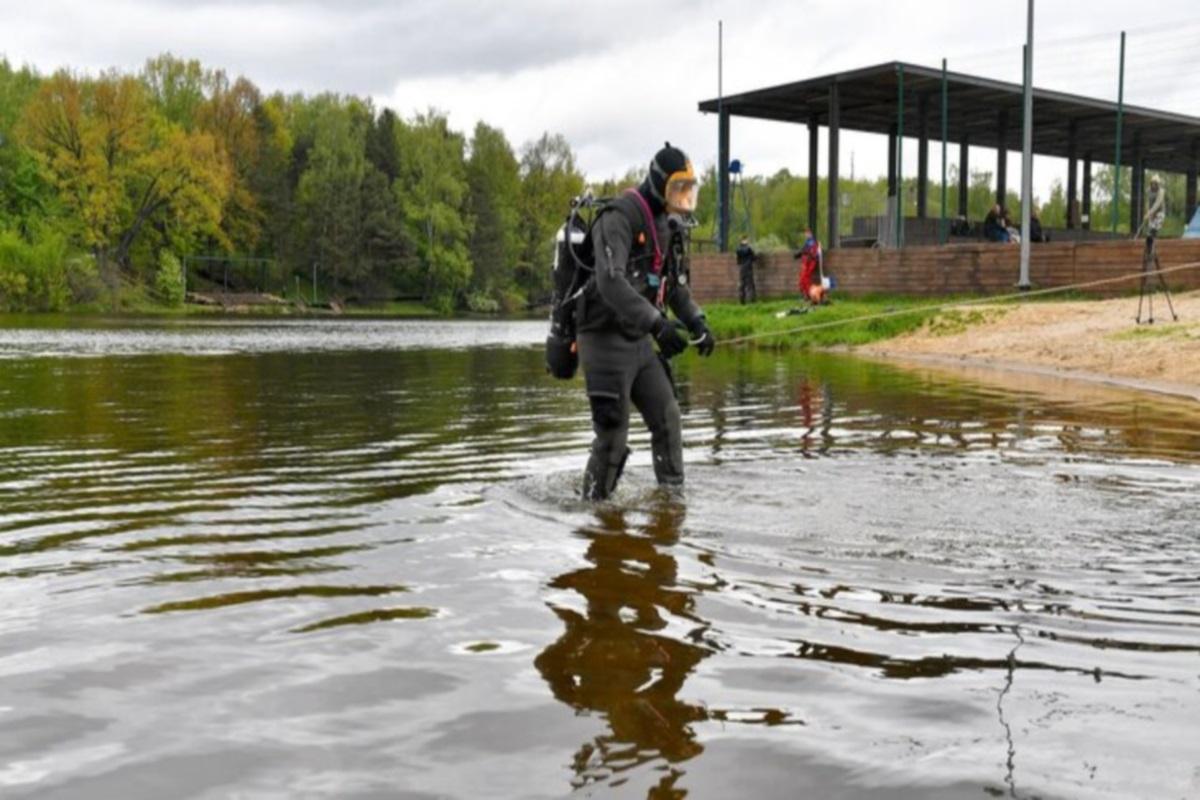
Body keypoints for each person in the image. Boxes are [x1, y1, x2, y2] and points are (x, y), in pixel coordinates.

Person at [575, 143, 715, 500]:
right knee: (613, 437)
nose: (683, 198)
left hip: (637, 339)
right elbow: (610, 282)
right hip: (603, 337)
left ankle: (670, 506)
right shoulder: (617, 218)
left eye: (688, 190)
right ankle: (594, 517)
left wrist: (697, 322)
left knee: (668, 418)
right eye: (677, 189)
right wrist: (658, 324)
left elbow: (673, 289)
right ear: (657, 184)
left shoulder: (668, 227)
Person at [794, 227, 824, 304]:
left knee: (805, 278)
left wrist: (802, 253)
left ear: (810, 233)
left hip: (809, 262)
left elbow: (810, 252)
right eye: (805, 233)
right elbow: (805, 251)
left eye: (807, 233)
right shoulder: (808, 242)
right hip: (806, 262)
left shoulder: (812, 242)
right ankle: (806, 295)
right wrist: (800, 254)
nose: (806, 234)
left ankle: (809, 295)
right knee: (802, 279)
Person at [1143, 175, 1166, 248]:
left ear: (1158, 184)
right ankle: (1149, 247)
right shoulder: (1148, 191)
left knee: (1155, 229)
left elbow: (1157, 203)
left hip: (1160, 213)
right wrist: (1148, 213)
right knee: (1149, 230)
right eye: (1152, 183)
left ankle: (1155, 245)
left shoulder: (1161, 192)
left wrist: (1150, 212)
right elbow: (1147, 203)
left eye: (1155, 183)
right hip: (1151, 213)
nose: (1153, 185)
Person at [735, 236, 756, 304]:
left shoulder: (738, 249)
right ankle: (752, 300)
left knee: (742, 284)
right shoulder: (749, 249)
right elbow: (754, 258)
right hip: (748, 267)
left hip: (742, 268)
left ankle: (742, 300)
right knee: (750, 284)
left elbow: (738, 261)